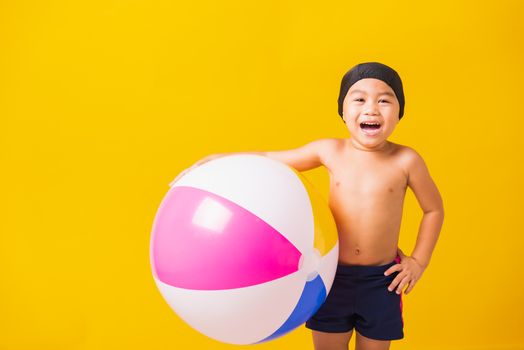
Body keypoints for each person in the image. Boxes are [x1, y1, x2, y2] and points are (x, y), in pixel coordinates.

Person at [170, 62, 444, 350]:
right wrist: (221, 159)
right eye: (359, 99)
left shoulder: (407, 160)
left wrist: (418, 262)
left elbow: (434, 209)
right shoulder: (330, 151)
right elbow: (273, 158)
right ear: (343, 110)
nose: (372, 108)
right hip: (331, 276)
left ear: (399, 111)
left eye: (385, 100)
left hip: (382, 280)